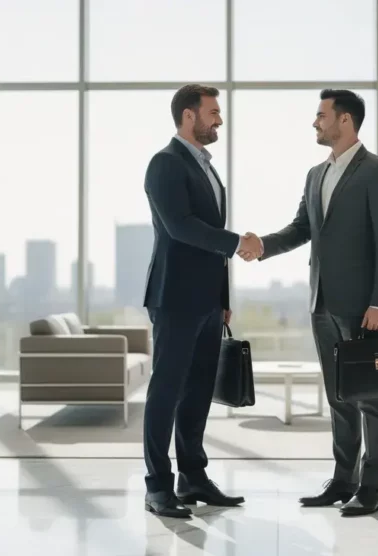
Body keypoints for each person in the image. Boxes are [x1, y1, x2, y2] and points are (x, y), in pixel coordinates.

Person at [240, 89, 378, 516]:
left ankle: (373, 487)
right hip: (321, 304)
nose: (315, 123)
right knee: (338, 397)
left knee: (371, 398)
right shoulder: (315, 174)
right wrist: (262, 246)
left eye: (321, 115)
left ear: (344, 120)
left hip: (363, 307)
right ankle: (343, 479)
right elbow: (300, 228)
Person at [142, 84, 263, 518]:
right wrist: (238, 242)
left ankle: (193, 476)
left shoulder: (210, 171)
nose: (219, 120)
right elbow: (181, 227)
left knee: (197, 394)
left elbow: (210, 245)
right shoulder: (165, 164)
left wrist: (223, 297)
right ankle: (158, 486)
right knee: (167, 391)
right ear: (188, 116)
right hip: (175, 297)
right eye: (213, 112)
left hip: (209, 302)